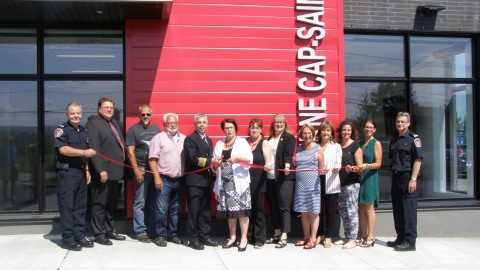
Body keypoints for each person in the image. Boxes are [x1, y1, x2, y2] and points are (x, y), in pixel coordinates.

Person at [54, 102, 96, 251]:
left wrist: (87, 171)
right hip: (67, 173)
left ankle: (79, 235)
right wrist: (83, 153)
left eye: (78, 113)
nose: (75, 116)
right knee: (67, 206)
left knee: (80, 206)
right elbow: (63, 149)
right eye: (72, 113)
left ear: (81, 114)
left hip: (80, 173)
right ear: (67, 115)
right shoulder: (61, 130)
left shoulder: (84, 131)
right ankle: (68, 239)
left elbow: (84, 157)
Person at [87, 97, 126, 245]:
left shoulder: (114, 123)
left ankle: (110, 230)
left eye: (111, 107)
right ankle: (99, 233)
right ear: (99, 109)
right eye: (106, 107)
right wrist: (101, 170)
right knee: (99, 204)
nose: (109, 110)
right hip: (103, 172)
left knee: (111, 204)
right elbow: (95, 149)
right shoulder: (93, 123)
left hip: (116, 172)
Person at [212, 118, 253, 252]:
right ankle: (232, 237)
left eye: (231, 127)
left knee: (242, 211)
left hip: (239, 182)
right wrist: (216, 163)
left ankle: (244, 238)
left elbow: (249, 159)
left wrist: (237, 158)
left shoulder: (242, 142)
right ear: (223, 130)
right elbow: (214, 162)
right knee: (230, 212)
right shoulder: (219, 143)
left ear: (235, 129)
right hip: (225, 183)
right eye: (226, 128)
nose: (229, 130)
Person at [148, 112, 186, 247]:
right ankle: (160, 235)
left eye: (174, 122)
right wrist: (157, 177)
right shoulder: (158, 138)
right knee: (161, 209)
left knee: (175, 209)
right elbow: (152, 159)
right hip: (164, 180)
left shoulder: (183, 138)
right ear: (164, 124)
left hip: (179, 180)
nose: (172, 125)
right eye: (169, 123)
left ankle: (172, 234)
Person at [387, 112, 423, 252]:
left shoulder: (414, 139)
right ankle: (400, 237)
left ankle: (410, 241)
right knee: (398, 209)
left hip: (407, 177)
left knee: (409, 210)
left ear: (408, 123)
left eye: (402, 122)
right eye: (398, 121)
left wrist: (413, 179)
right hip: (396, 177)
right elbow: (393, 160)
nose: (400, 124)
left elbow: (418, 160)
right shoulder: (394, 139)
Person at [126, 104, 161, 243]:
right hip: (141, 169)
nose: (145, 117)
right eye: (143, 115)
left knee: (152, 202)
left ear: (151, 114)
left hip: (154, 171)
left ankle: (151, 230)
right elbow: (130, 152)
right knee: (140, 202)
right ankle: (140, 232)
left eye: (148, 114)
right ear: (139, 115)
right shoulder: (133, 130)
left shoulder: (157, 129)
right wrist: (136, 171)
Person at [183, 113, 218, 250]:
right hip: (194, 182)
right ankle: (193, 238)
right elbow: (193, 159)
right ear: (195, 124)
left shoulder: (208, 140)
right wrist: (211, 162)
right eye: (199, 123)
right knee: (194, 211)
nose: (202, 125)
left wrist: (214, 165)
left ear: (207, 124)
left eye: (204, 122)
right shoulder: (190, 139)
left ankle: (205, 236)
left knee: (205, 211)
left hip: (206, 181)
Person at [265, 114, 295, 249]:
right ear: (273, 124)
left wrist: (287, 165)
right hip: (270, 177)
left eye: (281, 122)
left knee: (284, 207)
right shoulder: (269, 139)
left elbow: (288, 154)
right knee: (273, 206)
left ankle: (284, 235)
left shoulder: (288, 137)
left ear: (285, 124)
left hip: (284, 178)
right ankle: (276, 232)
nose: (279, 124)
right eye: (276, 122)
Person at [293, 123, 325, 249]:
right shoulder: (299, 148)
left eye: (309, 133)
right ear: (301, 135)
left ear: (313, 134)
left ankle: (313, 238)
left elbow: (322, 167)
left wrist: (324, 169)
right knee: (304, 212)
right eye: (304, 133)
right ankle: (306, 237)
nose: (307, 136)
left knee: (313, 212)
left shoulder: (318, 148)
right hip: (300, 186)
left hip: (313, 186)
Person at [335, 120, 363, 249]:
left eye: (348, 130)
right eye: (344, 130)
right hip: (339, 184)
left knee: (351, 211)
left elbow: (360, 168)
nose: (346, 132)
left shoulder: (355, 146)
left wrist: (351, 168)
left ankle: (353, 238)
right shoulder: (337, 145)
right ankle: (346, 236)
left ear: (352, 132)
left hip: (351, 183)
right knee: (343, 210)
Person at [316, 121, 342, 248]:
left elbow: (338, 162)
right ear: (320, 133)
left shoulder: (336, 146)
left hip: (331, 180)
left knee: (330, 210)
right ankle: (320, 233)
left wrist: (336, 168)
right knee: (318, 209)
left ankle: (328, 236)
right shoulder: (315, 146)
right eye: (323, 130)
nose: (325, 133)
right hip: (317, 180)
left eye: (328, 130)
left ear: (332, 133)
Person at [246, 118, 271, 249]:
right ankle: (249, 237)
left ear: (261, 129)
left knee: (258, 210)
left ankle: (260, 238)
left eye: (256, 127)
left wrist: (268, 165)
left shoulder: (264, 143)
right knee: (247, 210)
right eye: (252, 127)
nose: (254, 130)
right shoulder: (244, 142)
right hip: (245, 181)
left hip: (259, 181)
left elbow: (269, 160)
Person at [358, 119, 382, 248]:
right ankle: (363, 235)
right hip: (360, 177)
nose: (368, 129)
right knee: (361, 208)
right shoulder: (361, 142)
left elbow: (378, 164)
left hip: (370, 177)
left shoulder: (376, 143)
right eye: (366, 127)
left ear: (375, 129)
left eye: (371, 127)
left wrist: (366, 165)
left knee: (369, 208)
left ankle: (371, 237)